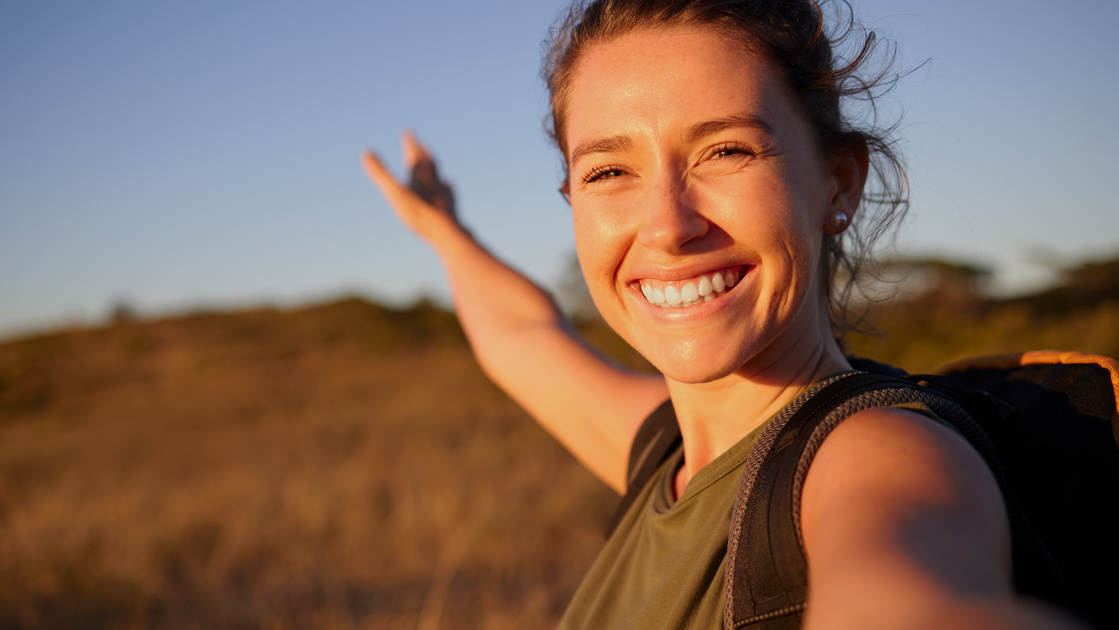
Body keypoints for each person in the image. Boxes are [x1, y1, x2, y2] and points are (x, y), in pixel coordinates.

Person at [361, 1, 1091, 628]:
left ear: (837, 183)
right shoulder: (665, 451)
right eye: (609, 171)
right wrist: (443, 232)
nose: (667, 226)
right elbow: (522, 337)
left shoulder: (879, 457)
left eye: (725, 151)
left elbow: (906, 599)